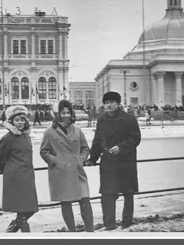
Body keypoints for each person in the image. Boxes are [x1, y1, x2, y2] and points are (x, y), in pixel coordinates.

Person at [85, 91, 141, 230]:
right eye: (106, 103)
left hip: (125, 161)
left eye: (111, 102)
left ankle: (126, 223)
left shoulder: (129, 118)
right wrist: (92, 158)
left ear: (118, 103)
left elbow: (135, 138)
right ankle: (109, 224)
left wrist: (121, 147)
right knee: (107, 193)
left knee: (128, 193)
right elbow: (97, 141)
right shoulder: (102, 120)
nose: (108, 105)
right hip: (108, 162)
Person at [40, 100, 94, 232]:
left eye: (68, 112)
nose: (65, 115)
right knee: (66, 203)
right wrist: (56, 161)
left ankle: (90, 231)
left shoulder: (77, 130)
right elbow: (44, 151)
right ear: (57, 114)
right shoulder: (49, 132)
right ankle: (72, 232)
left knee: (85, 200)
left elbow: (85, 148)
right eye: (62, 113)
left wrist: (80, 159)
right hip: (61, 172)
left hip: (77, 171)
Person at [0, 105, 39, 233]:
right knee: (23, 211)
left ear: (26, 121)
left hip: (28, 178)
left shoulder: (26, 136)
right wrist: (9, 171)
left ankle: (11, 231)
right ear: (11, 121)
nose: (20, 122)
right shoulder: (7, 138)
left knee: (31, 208)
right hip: (16, 179)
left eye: (22, 120)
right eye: (17, 120)